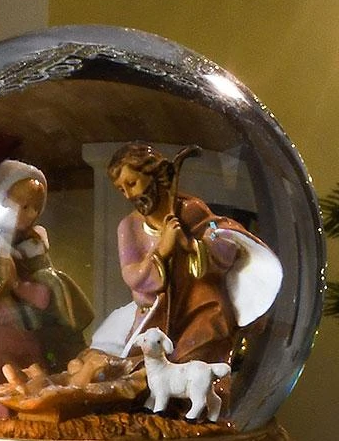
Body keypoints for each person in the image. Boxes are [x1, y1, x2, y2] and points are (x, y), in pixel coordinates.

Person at [100, 142, 281, 366]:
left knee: (196, 361)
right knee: (147, 368)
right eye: (121, 189)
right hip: (157, 317)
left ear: (154, 175)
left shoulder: (190, 209)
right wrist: (163, 249)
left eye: (132, 183)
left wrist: (191, 245)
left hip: (201, 307)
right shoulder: (129, 227)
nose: (128, 195)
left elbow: (224, 242)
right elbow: (132, 275)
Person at [0, 160, 92, 420]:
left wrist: (16, 282)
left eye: (35, 208)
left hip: (21, 336)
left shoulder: (32, 247)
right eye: (23, 206)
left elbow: (43, 298)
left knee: (35, 391)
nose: (29, 214)